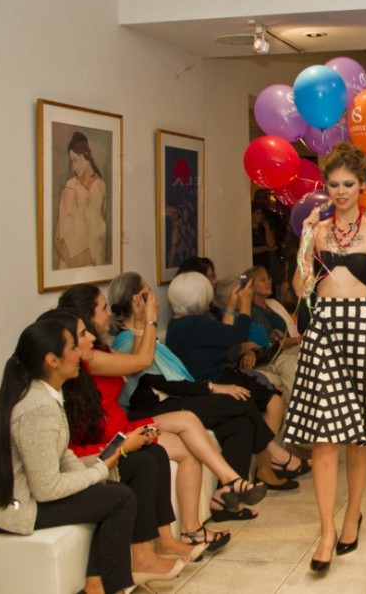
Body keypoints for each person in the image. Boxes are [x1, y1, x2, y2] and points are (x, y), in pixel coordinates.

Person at [285, 142, 366, 573]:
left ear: (362, 185)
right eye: (333, 185)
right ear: (325, 187)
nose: (340, 191)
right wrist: (305, 241)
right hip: (323, 330)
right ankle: (325, 531)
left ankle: (352, 514)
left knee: (359, 436)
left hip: (362, 330)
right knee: (324, 438)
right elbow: (300, 288)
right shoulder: (318, 231)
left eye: (348, 184)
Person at [55, 285, 269, 537]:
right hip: (112, 433)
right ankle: (234, 482)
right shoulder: (88, 358)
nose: (109, 313)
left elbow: (133, 363)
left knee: (193, 422)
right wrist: (150, 319)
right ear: (87, 317)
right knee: (229, 408)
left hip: (121, 423)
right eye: (103, 308)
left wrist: (138, 322)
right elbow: (142, 361)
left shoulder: (98, 349)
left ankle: (206, 511)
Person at [108, 272, 308, 515]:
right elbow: (162, 381)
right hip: (159, 406)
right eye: (148, 294)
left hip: (179, 397)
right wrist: (213, 387)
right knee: (239, 400)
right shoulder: (126, 342)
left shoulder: (147, 333)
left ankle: (225, 499)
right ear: (136, 301)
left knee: (241, 424)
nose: (155, 300)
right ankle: (274, 452)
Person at [0, 319, 136, 594]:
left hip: (20, 494)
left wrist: (92, 475)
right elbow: (46, 489)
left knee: (111, 493)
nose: (80, 354)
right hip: (1, 511)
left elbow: (62, 452)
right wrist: (98, 472)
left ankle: (95, 584)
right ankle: (109, 588)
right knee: (120, 499)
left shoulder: (44, 392)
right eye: (73, 348)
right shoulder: (37, 407)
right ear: (52, 360)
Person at [37, 309, 200, 576]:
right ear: (55, 356)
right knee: (142, 463)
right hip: (78, 466)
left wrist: (120, 445)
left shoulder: (74, 383)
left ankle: (164, 541)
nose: (91, 338)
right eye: (82, 336)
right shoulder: (44, 402)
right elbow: (65, 458)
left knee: (155, 453)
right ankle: (141, 557)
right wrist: (118, 450)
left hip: (94, 454)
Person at [164, 271, 305, 491]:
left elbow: (226, 338)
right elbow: (236, 335)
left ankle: (242, 484)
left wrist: (230, 309)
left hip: (217, 376)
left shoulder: (179, 323)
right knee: (253, 399)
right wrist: (245, 304)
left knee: (254, 409)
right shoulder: (195, 324)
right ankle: (272, 459)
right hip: (210, 383)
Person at [243, 265, 304, 389]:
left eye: (269, 278)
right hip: (270, 355)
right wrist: (298, 340)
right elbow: (271, 342)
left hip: (287, 348)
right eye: (263, 279)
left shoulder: (273, 304)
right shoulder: (250, 309)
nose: (268, 282)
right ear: (251, 285)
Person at [55, 131, 107, 269]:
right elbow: (59, 232)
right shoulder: (70, 185)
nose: (74, 167)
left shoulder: (98, 187)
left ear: (86, 155)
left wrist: (71, 261)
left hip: (84, 267)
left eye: (75, 160)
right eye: (71, 161)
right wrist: (65, 255)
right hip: (65, 263)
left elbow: (97, 245)